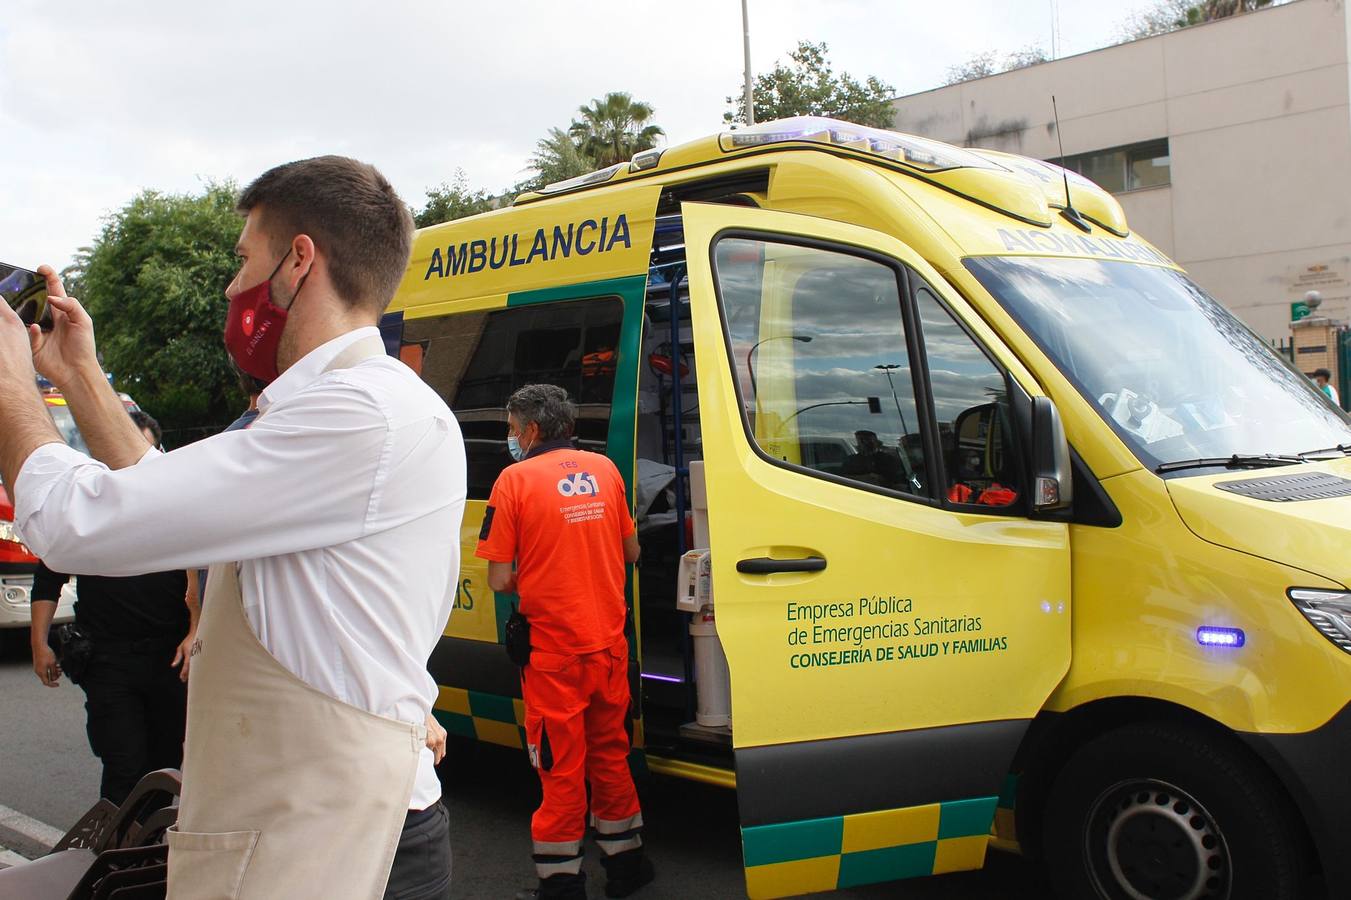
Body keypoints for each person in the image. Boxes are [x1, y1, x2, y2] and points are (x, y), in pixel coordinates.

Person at [0, 155, 465, 899]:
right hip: (316, 825)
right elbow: (161, 496)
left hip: (333, 842)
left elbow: (75, 524)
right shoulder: (344, 408)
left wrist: (9, 387)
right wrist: (78, 375)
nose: (229, 286)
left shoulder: (353, 416)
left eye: (242, 258)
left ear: (298, 260)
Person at [476, 384, 651, 900]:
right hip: (609, 649)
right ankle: (627, 868)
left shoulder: (514, 481)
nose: (510, 438)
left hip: (555, 658)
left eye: (510, 429)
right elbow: (633, 550)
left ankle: (561, 884)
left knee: (560, 770)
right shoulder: (605, 471)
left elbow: (498, 579)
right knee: (611, 757)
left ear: (530, 430)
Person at [29, 410, 193, 806]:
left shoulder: (178, 509)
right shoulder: (87, 511)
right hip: (109, 659)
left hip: (169, 658)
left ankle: (146, 853)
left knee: (165, 766)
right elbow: (49, 576)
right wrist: (39, 643)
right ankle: (114, 858)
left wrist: (195, 632)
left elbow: (201, 575)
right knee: (123, 764)